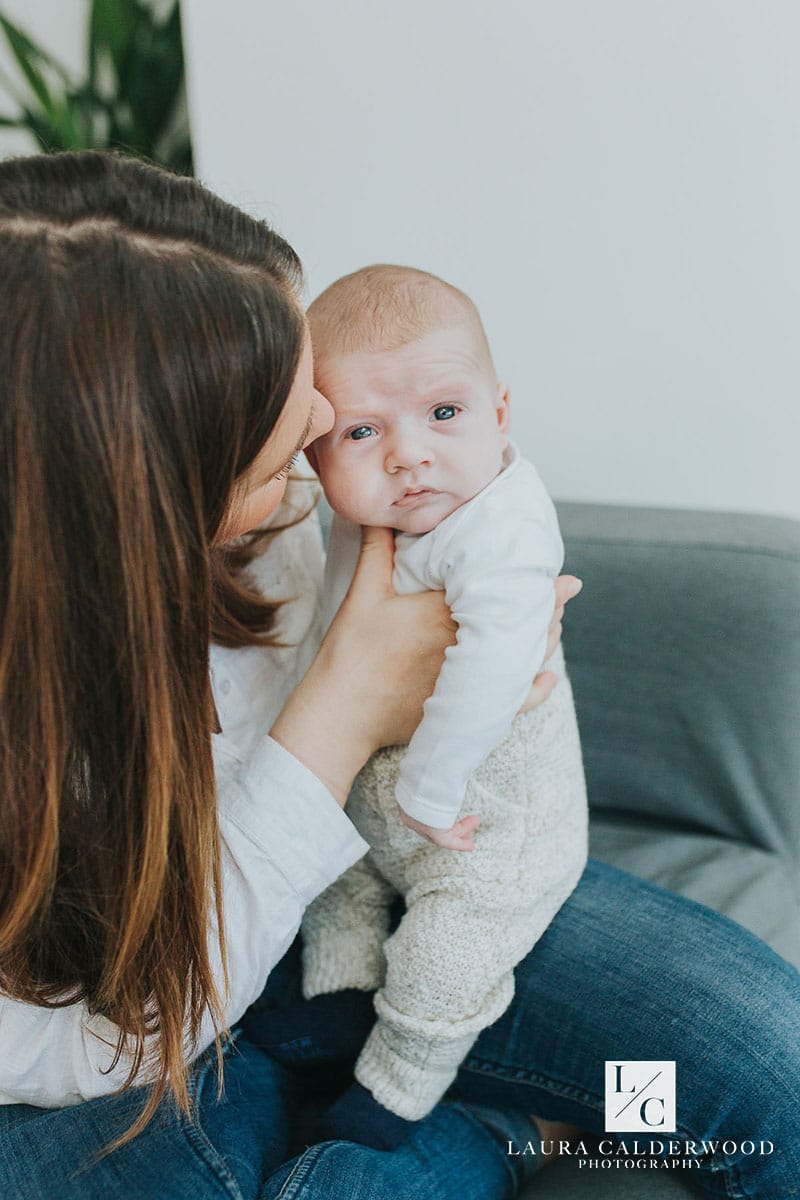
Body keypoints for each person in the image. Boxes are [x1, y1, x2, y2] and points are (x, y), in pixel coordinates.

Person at [0, 152, 797, 1200]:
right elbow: (80, 1051)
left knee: (762, 1064)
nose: (330, 440)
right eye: (288, 449)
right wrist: (341, 709)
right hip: (115, 1027)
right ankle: (498, 1130)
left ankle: (486, 1112)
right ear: (140, 503)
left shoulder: (289, 526)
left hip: (355, 889)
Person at [269, 264, 588, 1147]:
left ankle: (394, 1086)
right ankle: (334, 1002)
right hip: (375, 800)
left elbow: (490, 671)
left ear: (500, 414)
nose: (408, 453)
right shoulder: (348, 514)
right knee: (332, 880)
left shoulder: (504, 531)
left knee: (447, 956)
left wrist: (433, 795)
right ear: (312, 453)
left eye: (443, 413)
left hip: (483, 824)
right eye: (364, 431)